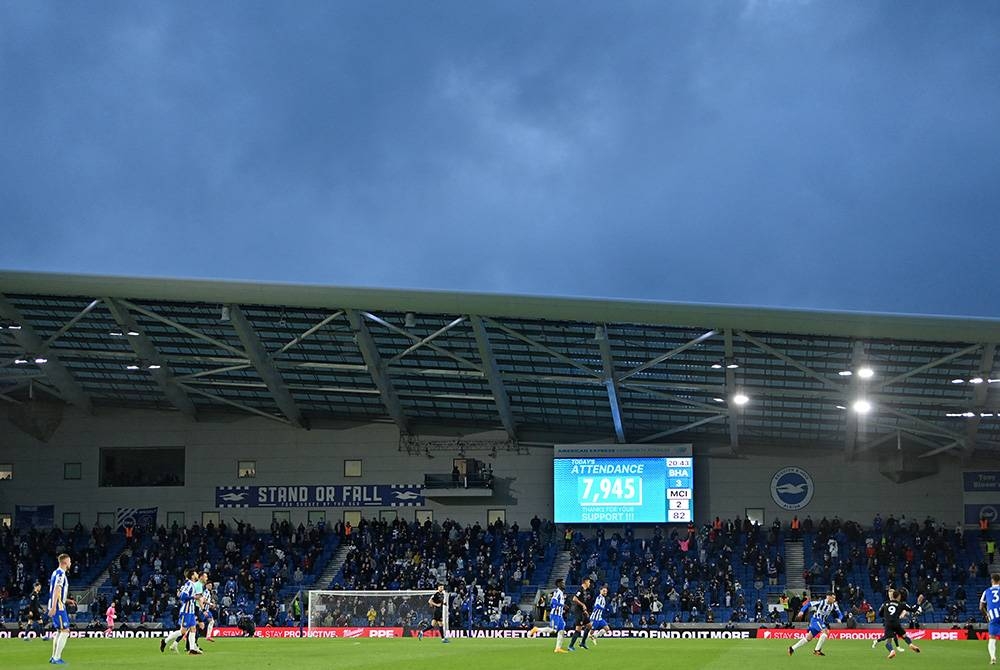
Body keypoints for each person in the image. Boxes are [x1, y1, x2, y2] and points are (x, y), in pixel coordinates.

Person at [160, 568, 203, 655]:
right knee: (183, 631)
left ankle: (191, 650)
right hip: (186, 611)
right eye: (195, 573)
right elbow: (183, 597)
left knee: (193, 629)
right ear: (192, 576)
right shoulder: (189, 585)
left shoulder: (192, 585)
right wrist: (194, 597)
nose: (197, 575)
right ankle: (165, 641)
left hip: (191, 611)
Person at [871, 589, 923, 658]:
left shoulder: (885, 603)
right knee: (904, 636)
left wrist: (887, 615)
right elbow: (913, 610)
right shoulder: (901, 604)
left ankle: (892, 651)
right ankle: (910, 644)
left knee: (888, 642)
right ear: (898, 597)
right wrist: (918, 603)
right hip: (896, 622)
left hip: (888, 623)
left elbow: (880, 614)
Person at [529, 578, 568, 653]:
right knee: (553, 630)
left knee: (561, 631)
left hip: (560, 616)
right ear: (558, 584)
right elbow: (553, 602)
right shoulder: (557, 592)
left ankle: (558, 648)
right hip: (555, 615)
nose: (564, 584)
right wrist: (562, 605)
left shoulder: (561, 593)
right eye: (562, 583)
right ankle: (536, 629)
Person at [47, 552, 73, 665]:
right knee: (65, 631)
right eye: (70, 561)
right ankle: (57, 658)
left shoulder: (55, 573)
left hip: (58, 604)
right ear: (65, 562)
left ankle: (54, 657)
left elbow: (56, 591)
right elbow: (57, 590)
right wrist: (54, 607)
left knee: (59, 631)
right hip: (58, 607)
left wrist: (67, 600)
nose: (71, 563)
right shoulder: (61, 574)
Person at [566, 577, 592, 651]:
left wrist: (585, 610)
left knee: (589, 626)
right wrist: (582, 605)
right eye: (589, 582)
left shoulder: (585, 591)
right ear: (585, 582)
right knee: (578, 629)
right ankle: (570, 646)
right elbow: (574, 598)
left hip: (583, 611)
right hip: (578, 611)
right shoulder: (580, 589)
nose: (589, 583)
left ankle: (583, 642)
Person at [981, 572, 1000, 666]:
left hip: (993, 616)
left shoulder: (986, 591)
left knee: (992, 638)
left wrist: (986, 615)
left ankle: (993, 657)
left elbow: (981, 607)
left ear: (992, 581)